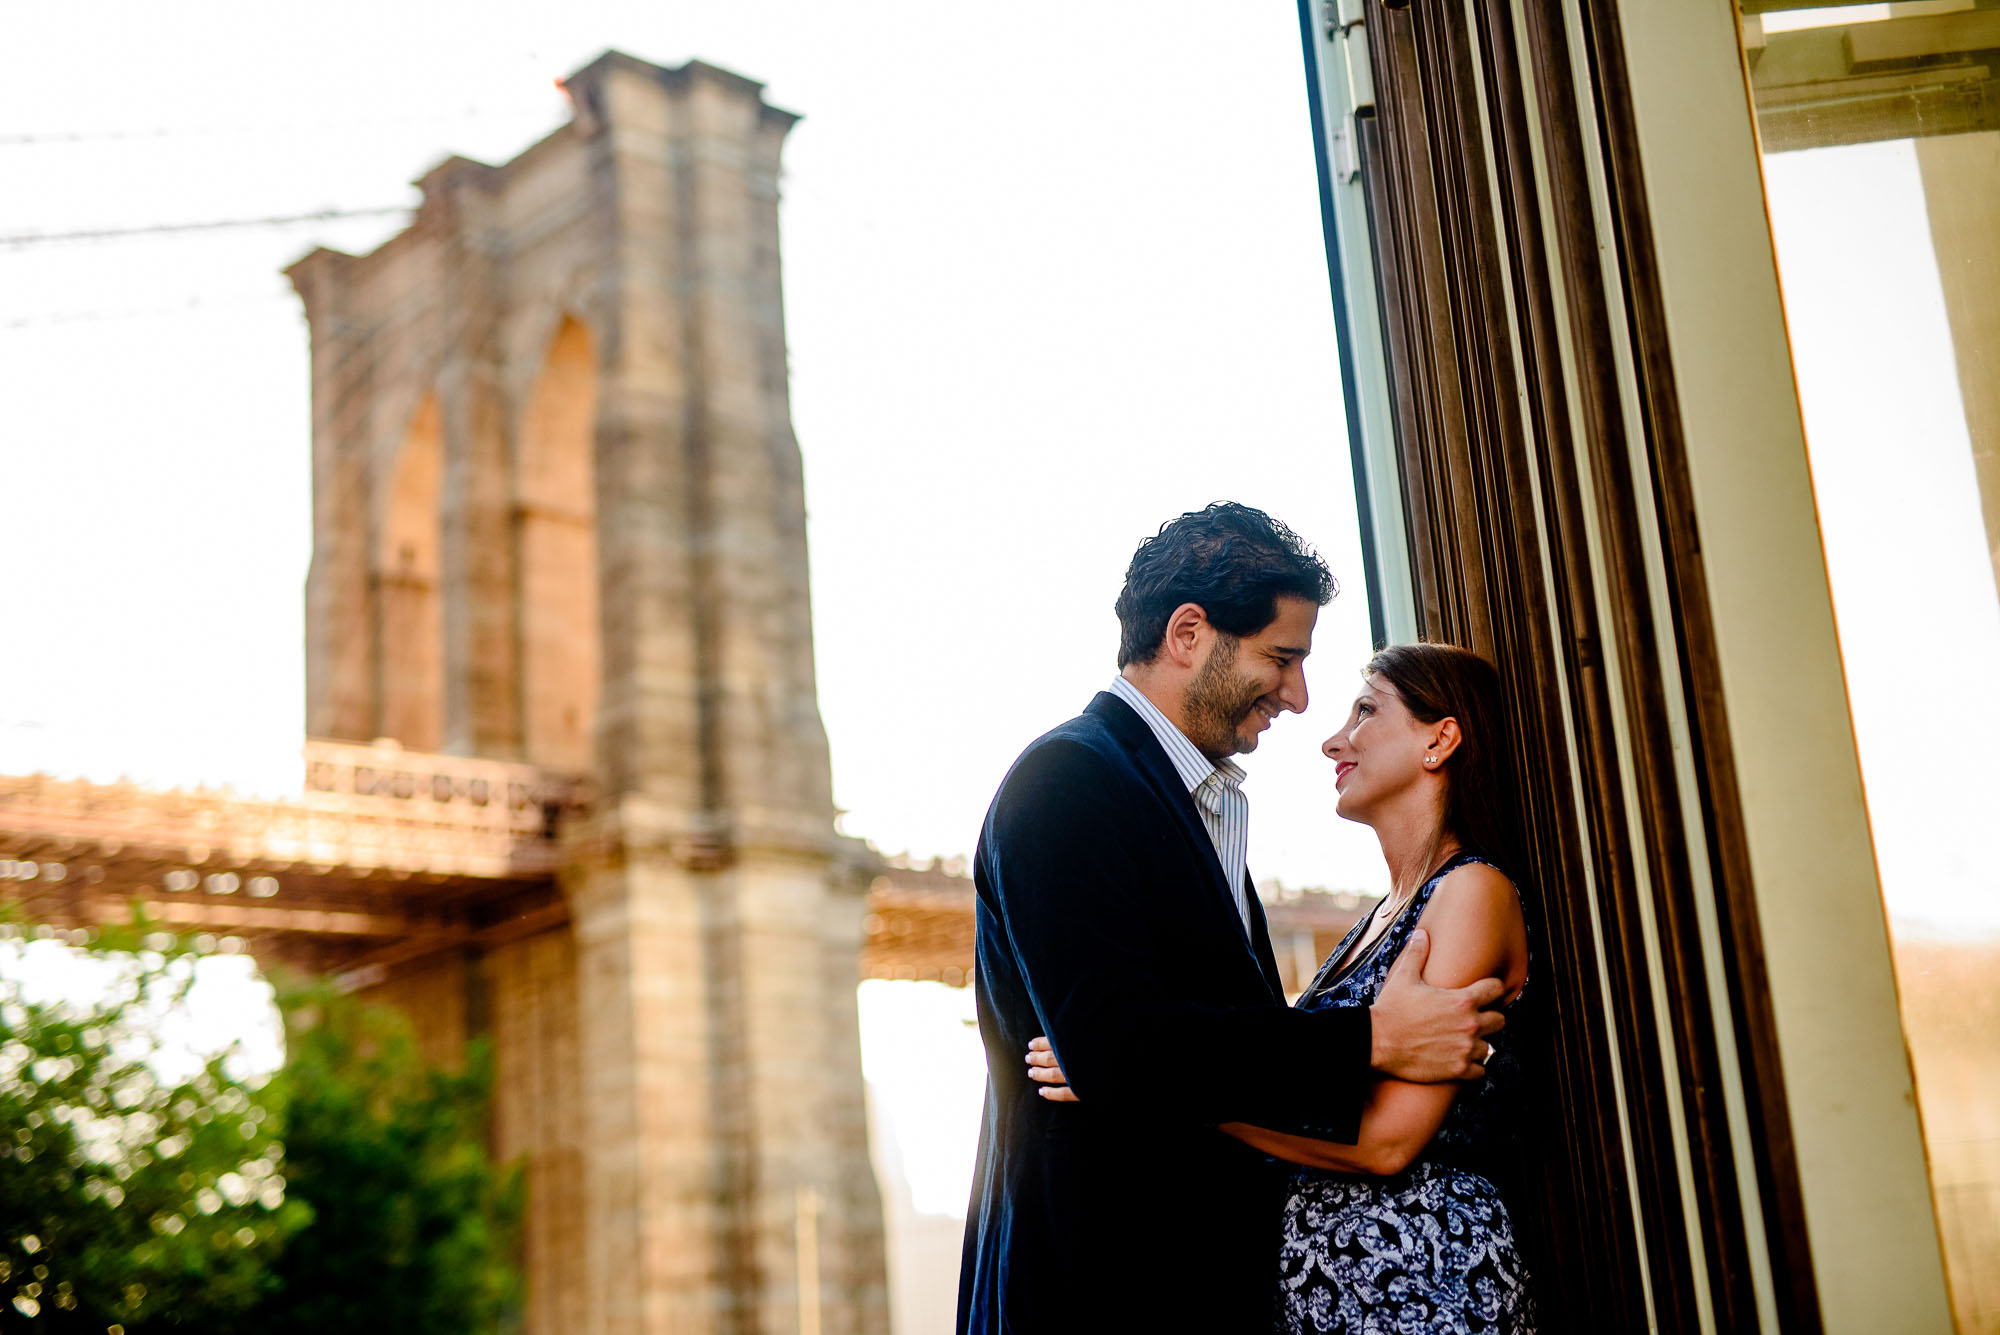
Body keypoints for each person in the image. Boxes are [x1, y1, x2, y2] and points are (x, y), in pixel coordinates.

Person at [957, 503, 1506, 1334]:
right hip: (1095, 1294)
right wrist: (1375, 1038)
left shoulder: (1193, 801)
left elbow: (1169, 1049)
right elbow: (1120, 1048)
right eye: (1281, 657)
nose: (1297, 695)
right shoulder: (1066, 781)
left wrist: (1132, 1062)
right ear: (1188, 634)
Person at [1027, 642, 1538, 1333]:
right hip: (1334, 1300)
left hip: (1423, 1284)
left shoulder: (1472, 891)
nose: (1333, 740)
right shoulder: (1367, 927)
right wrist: (1133, 1059)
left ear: (1440, 739)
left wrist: (1147, 1083)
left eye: (1364, 711)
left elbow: (1387, 1140)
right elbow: (1292, 1074)